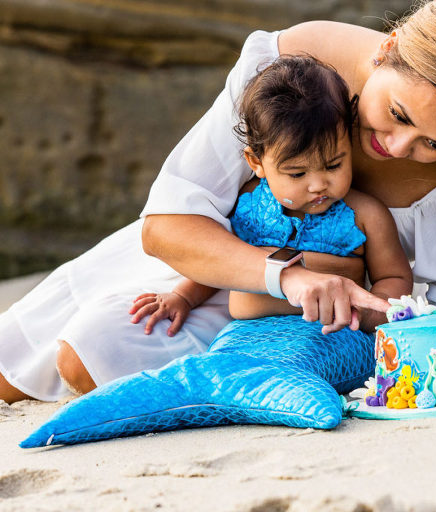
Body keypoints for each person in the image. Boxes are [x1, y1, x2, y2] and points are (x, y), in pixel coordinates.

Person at [0, 0, 436, 405]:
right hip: (205, 266)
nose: (399, 147)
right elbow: (170, 228)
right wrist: (288, 279)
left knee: (86, 354)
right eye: (398, 115)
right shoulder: (294, 73)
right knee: (13, 368)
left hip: (313, 333)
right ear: (388, 50)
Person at [129, 55, 412, 337]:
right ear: (257, 163)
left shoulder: (365, 215)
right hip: (244, 335)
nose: (317, 185)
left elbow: (394, 278)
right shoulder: (249, 205)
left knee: (286, 380)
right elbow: (223, 264)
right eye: (297, 174)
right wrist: (183, 297)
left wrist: (366, 313)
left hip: (331, 338)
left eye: (333, 165)